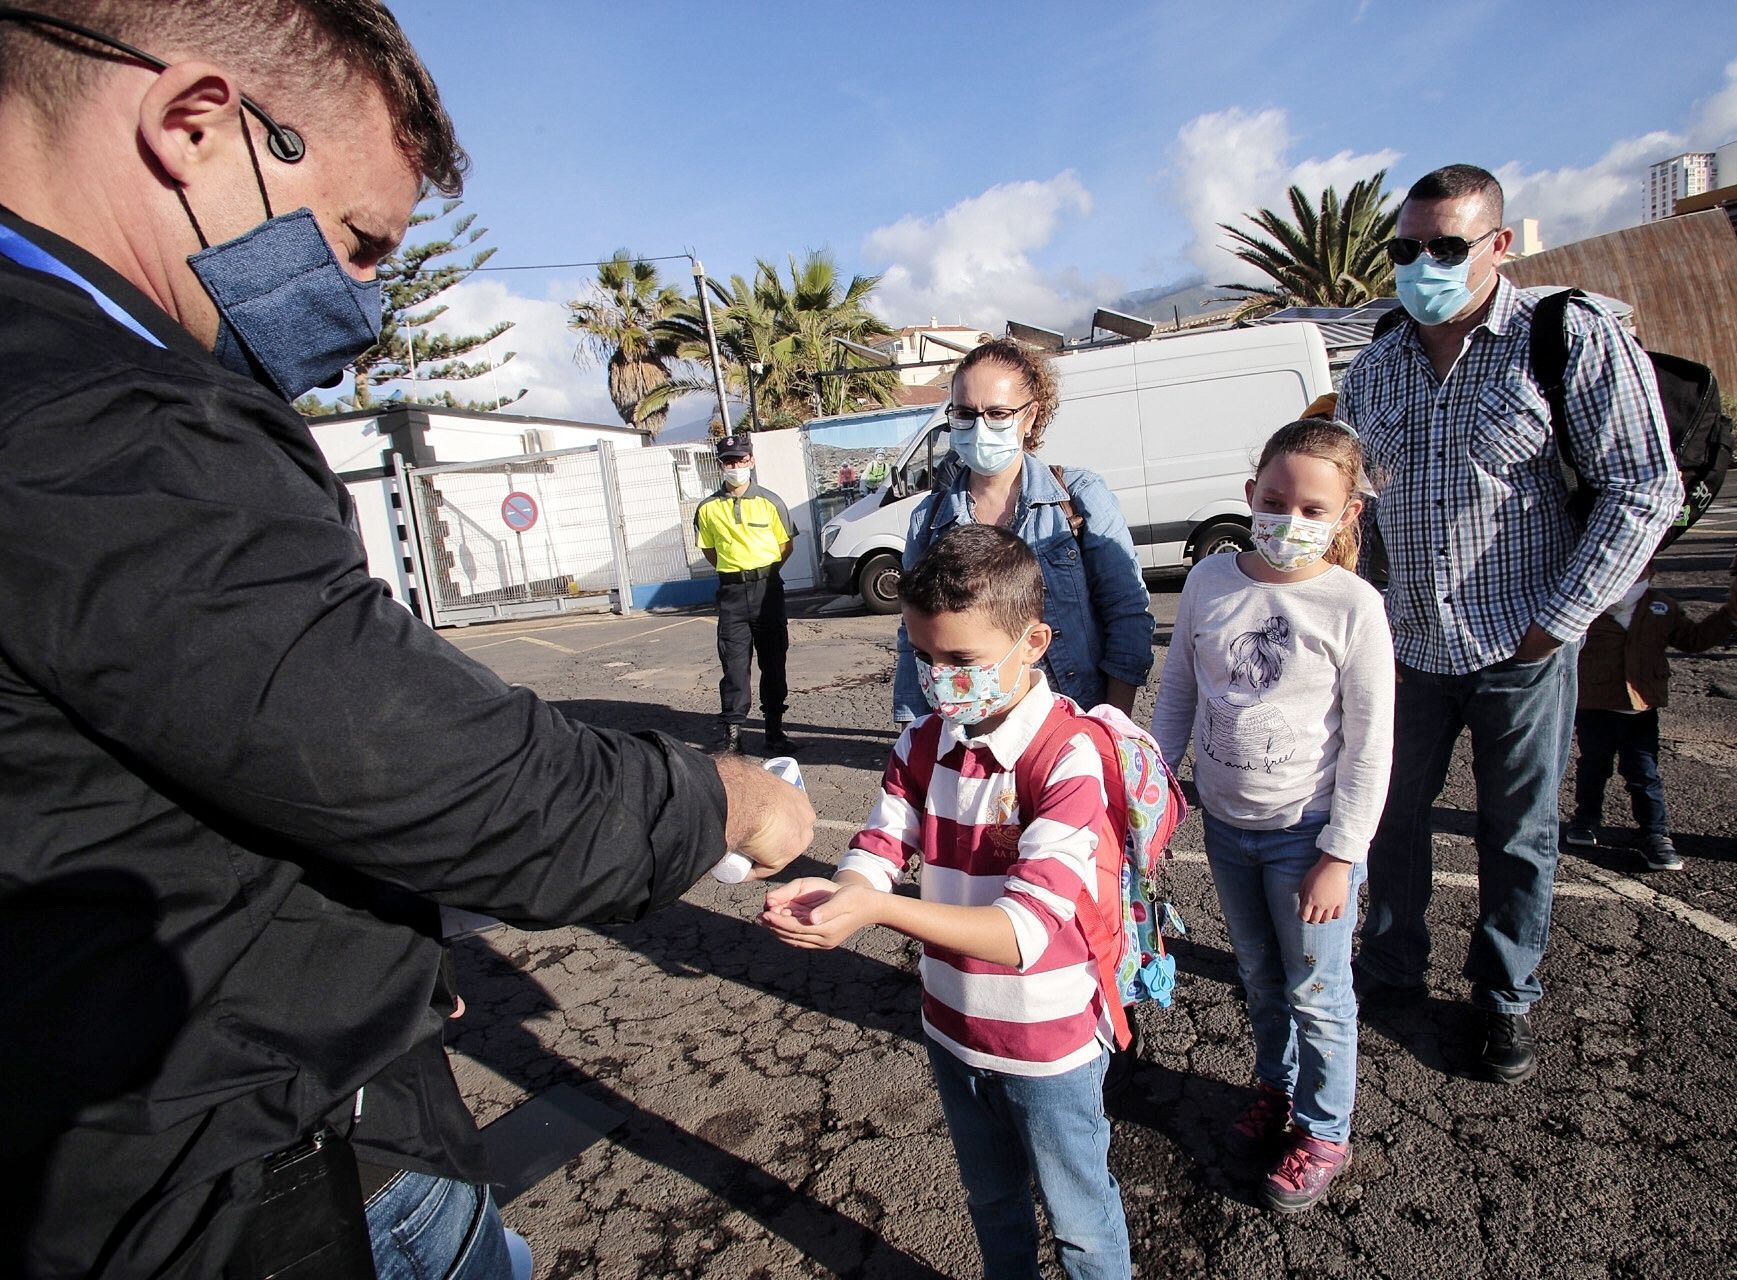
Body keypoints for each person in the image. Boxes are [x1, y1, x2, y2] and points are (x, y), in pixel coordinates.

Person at [0, 5, 813, 1278]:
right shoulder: (113, 429)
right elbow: (443, 774)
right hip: (246, 1189)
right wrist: (725, 796)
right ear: (196, 127)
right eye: (359, 242)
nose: (367, 303)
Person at [1338, 163, 1679, 1084]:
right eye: (1405, 249)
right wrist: (1356, 619)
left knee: (1516, 834)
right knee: (1387, 820)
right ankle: (1390, 967)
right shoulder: (1374, 366)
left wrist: (1557, 623)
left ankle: (1502, 998)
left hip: (1518, 651)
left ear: (1497, 245)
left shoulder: (1565, 338)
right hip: (1405, 650)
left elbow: (1643, 489)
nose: (1421, 265)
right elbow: (1361, 510)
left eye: (1446, 247)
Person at [764, 524, 1132, 1280]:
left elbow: (1023, 932)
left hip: (1045, 1044)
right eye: (922, 657)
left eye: (961, 661)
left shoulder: (1067, 758)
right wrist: (841, 894)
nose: (938, 680)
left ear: (1033, 640)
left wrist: (876, 910)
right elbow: (879, 845)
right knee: (990, 1200)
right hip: (952, 1023)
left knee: (1080, 1221)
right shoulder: (923, 741)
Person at [1150, 420, 1394, 1213]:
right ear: (1250, 492)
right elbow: (1181, 693)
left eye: (1313, 508)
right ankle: (1276, 1091)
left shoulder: (1353, 605)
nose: (1290, 518)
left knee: (1318, 993)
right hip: (1226, 829)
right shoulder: (1210, 582)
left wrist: (1340, 852)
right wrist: (1152, 793)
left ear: (1346, 515)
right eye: (1275, 499)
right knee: (1259, 978)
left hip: (1306, 835)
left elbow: (1367, 745)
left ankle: (1324, 1129)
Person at [892, 338, 1154, 726]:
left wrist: (1111, 725)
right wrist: (916, 732)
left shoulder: (1078, 498)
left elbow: (1127, 611)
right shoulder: (929, 520)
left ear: (1030, 417)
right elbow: (914, 636)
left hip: (1073, 721)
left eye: (997, 413)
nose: (980, 427)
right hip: (972, 731)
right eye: (965, 413)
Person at [1564, 559, 1735, 870]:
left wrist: (1728, 615)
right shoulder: (1588, 605)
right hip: (1595, 705)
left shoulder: (1661, 607)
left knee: (1644, 773)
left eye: (1638, 569)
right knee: (1592, 766)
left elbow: (1692, 640)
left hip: (1641, 707)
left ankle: (1654, 833)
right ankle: (1586, 819)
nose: (1628, 577)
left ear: (1650, 573)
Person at [694, 433, 799, 754]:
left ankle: (774, 732)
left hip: (767, 588)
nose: (735, 466)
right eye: (728, 461)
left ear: (751, 460)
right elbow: (710, 551)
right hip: (732, 592)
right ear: (719, 465)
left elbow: (786, 546)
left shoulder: (771, 502)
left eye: (740, 460)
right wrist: (737, 571)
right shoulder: (707, 509)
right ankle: (733, 736)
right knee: (734, 666)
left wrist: (762, 573)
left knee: (773, 661)